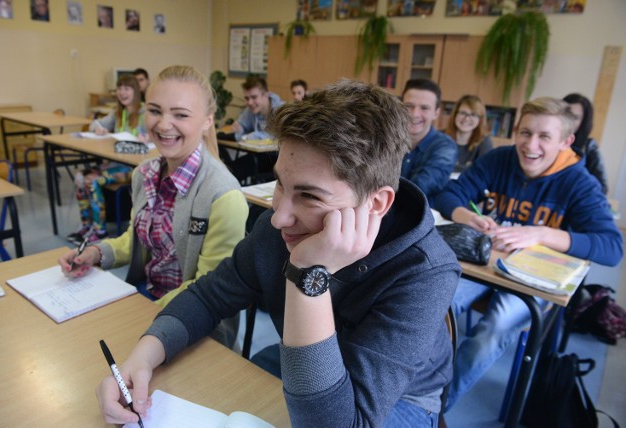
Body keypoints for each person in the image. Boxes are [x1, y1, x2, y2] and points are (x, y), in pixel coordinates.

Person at [95, 80, 460, 427]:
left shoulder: (426, 271)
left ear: (376, 203)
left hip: (401, 399)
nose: (280, 216)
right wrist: (143, 356)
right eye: (280, 184)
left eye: (310, 196)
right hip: (301, 363)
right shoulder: (284, 226)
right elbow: (208, 298)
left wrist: (307, 275)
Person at [434, 97, 623, 410]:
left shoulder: (579, 182)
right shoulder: (499, 159)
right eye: (524, 133)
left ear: (566, 141)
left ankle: (437, 408)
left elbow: (611, 247)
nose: (530, 145)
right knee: (437, 305)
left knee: (491, 332)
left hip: (533, 279)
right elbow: (449, 194)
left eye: (544, 137)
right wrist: (470, 217)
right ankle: (417, 388)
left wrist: (542, 234)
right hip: (487, 262)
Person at [59, 65, 248, 333]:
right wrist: (95, 253)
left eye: (180, 114)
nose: (163, 124)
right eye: (155, 111)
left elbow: (207, 288)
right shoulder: (145, 173)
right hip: (146, 298)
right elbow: (135, 240)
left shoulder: (223, 195)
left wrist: (141, 313)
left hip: (193, 321)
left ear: (207, 120)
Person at [67, 74, 146, 244]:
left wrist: (149, 137)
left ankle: (100, 231)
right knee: (80, 177)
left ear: (136, 91)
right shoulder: (118, 113)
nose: (122, 93)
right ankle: (86, 226)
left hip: (133, 169)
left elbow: (159, 133)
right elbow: (94, 124)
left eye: (127, 88)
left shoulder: (145, 112)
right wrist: (99, 128)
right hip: (114, 164)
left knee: (93, 181)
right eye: (119, 89)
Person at [400, 78, 457, 205]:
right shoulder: (386, 139)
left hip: (419, 218)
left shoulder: (445, 147)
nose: (415, 114)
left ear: (436, 113)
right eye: (409, 106)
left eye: (424, 108)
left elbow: (419, 189)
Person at [563, 93, 609, 194]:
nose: (569, 120)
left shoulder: (589, 146)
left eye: (575, 118)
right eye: (567, 114)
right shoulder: (548, 141)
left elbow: (602, 188)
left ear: (583, 122)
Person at [444, 95, 494, 173]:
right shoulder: (440, 137)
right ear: (455, 115)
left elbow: (484, 173)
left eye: (473, 115)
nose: (467, 118)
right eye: (463, 113)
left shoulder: (484, 142)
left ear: (480, 120)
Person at [231, 76, 284, 141]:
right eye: (247, 98)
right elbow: (241, 126)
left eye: (254, 97)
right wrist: (239, 128)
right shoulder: (252, 109)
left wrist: (255, 136)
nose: (250, 103)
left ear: (266, 94)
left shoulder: (282, 111)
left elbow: (276, 136)